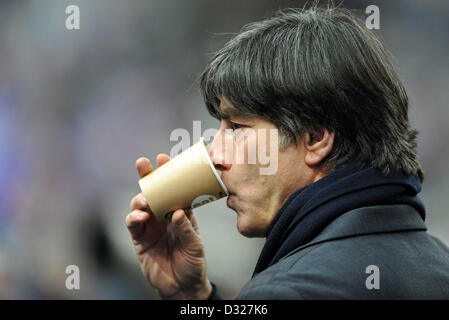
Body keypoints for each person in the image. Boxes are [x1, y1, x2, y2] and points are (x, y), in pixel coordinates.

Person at [126, 6, 449, 299]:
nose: (215, 156)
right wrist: (194, 295)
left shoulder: (285, 291)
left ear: (316, 138)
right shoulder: (441, 268)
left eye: (236, 127)